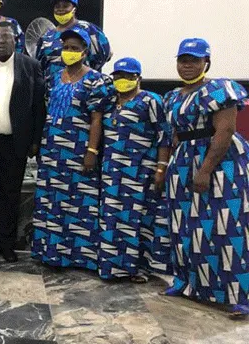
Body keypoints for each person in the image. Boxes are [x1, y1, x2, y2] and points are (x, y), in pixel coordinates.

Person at [161, 38, 249, 319]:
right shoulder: (173, 96)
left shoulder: (220, 89)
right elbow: (174, 133)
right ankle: (187, 282)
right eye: (183, 59)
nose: (187, 65)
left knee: (224, 227)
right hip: (184, 160)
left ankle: (236, 295)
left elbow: (225, 131)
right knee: (184, 225)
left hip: (218, 161)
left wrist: (205, 169)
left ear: (206, 62)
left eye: (194, 60)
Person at [32, 25, 114, 270]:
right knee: (51, 202)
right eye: (66, 48)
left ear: (85, 51)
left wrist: (92, 151)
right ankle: (51, 253)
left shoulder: (96, 80)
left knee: (78, 203)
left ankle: (79, 257)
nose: (69, 52)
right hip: (52, 151)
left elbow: (97, 119)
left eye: (74, 48)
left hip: (79, 151)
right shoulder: (55, 77)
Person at [0, 21, 46, 262]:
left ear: (16, 40)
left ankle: (6, 243)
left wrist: (35, 141)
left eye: (6, 37)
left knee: (10, 194)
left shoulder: (30, 66)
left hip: (15, 143)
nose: (2, 41)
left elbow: (38, 107)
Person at [98, 57, 172, 282]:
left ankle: (138, 268)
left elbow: (164, 136)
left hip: (140, 171)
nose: (122, 80)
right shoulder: (110, 102)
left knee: (138, 219)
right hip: (112, 171)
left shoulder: (150, 101)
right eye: (118, 76)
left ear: (138, 77)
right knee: (112, 217)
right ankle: (114, 266)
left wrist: (161, 168)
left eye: (128, 76)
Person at [36, 0, 112, 84]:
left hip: (84, 88)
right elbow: (39, 66)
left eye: (65, 6)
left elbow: (105, 54)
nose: (60, 9)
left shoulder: (88, 29)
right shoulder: (47, 37)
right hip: (54, 89)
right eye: (57, 6)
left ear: (74, 9)